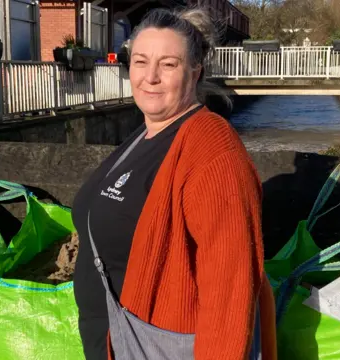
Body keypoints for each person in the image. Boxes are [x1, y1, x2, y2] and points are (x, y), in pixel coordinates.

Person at [71, 7, 277, 360]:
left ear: (194, 71)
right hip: (115, 342)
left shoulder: (212, 150)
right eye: (140, 61)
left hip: (157, 346)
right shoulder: (145, 134)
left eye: (168, 64)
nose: (150, 76)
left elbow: (230, 288)